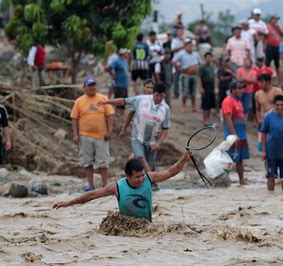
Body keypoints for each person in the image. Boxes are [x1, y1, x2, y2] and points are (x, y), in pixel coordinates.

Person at [53, 151, 193, 222]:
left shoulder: (149, 178)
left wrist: (184, 158)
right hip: (126, 227)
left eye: (142, 175)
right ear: (128, 176)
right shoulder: (117, 187)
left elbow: (171, 172)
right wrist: (68, 203)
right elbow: (92, 195)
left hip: (147, 226)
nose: (141, 179)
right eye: (137, 177)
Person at [103, 83, 170, 173]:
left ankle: (149, 181)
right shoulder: (141, 99)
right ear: (153, 94)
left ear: (164, 95)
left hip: (153, 141)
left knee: (149, 164)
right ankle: (152, 179)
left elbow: (165, 128)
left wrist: (159, 143)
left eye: (161, 96)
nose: (158, 98)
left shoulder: (165, 109)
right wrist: (107, 102)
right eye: (157, 95)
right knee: (140, 157)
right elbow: (124, 101)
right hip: (138, 137)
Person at [71, 77, 115, 191]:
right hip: (85, 135)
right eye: (89, 85)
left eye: (94, 85)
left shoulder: (103, 99)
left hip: (101, 136)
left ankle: (105, 184)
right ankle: (90, 185)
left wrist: (109, 131)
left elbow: (109, 116)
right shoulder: (79, 101)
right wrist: (75, 135)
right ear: (84, 87)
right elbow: (74, 119)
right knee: (87, 162)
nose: (92, 87)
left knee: (103, 162)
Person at [222, 81, 250, 186]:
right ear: (233, 90)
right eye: (239, 88)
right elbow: (227, 118)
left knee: (240, 159)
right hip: (232, 135)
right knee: (228, 159)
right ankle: (225, 180)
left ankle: (241, 180)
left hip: (241, 134)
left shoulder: (238, 101)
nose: (241, 90)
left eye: (242, 88)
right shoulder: (228, 101)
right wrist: (233, 134)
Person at [172, 40, 201, 112]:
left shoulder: (195, 54)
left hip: (194, 75)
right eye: (188, 46)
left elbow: (200, 63)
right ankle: (183, 106)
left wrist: (196, 68)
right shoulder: (181, 54)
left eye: (191, 46)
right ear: (185, 47)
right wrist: (179, 69)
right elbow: (173, 61)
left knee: (193, 92)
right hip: (186, 74)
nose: (190, 47)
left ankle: (194, 106)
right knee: (185, 91)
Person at [198, 52, 216, 125]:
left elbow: (214, 78)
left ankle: (208, 119)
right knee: (205, 104)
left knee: (210, 105)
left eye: (210, 57)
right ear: (205, 58)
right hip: (205, 86)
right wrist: (201, 87)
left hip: (211, 87)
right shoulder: (202, 67)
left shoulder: (212, 67)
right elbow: (199, 77)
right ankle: (205, 120)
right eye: (207, 57)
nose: (208, 59)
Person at [171, 27, 187, 99]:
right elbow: (173, 49)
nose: (180, 33)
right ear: (177, 33)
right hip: (176, 62)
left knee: (185, 78)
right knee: (176, 79)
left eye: (181, 32)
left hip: (185, 62)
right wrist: (182, 47)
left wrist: (183, 41)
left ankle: (185, 93)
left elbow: (188, 48)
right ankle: (176, 93)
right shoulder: (174, 40)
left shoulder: (186, 40)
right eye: (179, 32)